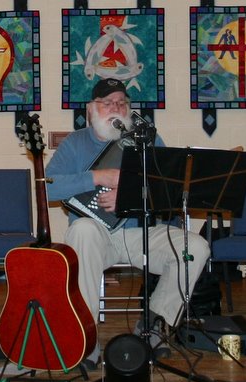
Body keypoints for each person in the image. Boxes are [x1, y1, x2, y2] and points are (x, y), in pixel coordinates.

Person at [45, 78, 210, 366]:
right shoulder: (75, 143)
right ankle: (86, 339)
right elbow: (46, 187)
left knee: (196, 247)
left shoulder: (148, 139)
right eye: (107, 103)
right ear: (91, 109)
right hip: (96, 235)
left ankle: (153, 326)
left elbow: (168, 189)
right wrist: (98, 177)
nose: (115, 108)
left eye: (121, 102)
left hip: (139, 232)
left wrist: (129, 195)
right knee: (81, 230)